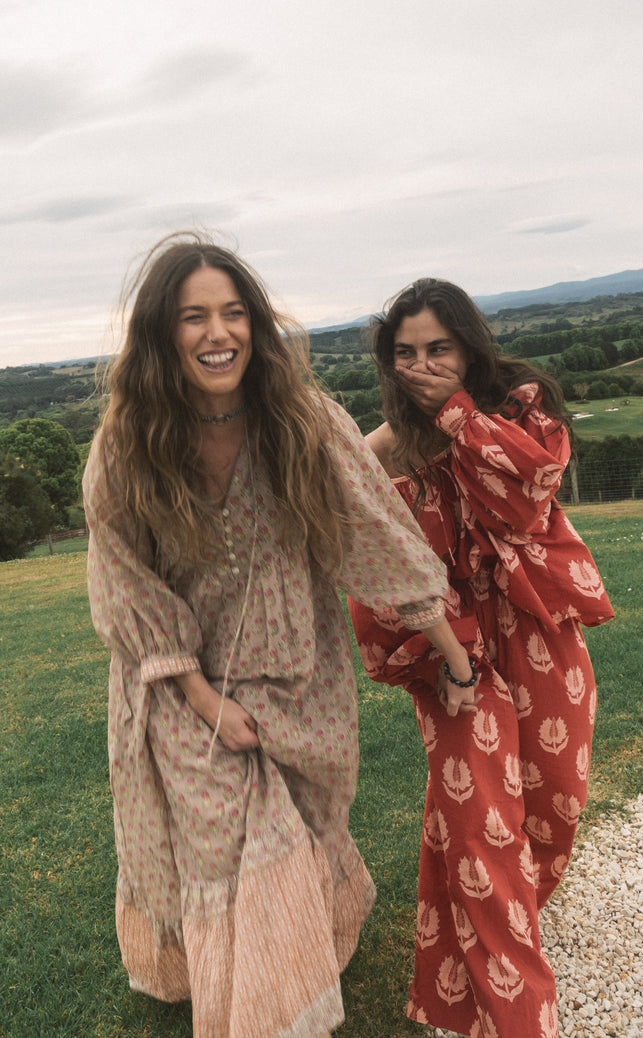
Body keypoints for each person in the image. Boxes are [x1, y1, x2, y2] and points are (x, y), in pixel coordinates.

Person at [83, 236, 483, 1038]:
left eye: (233, 312)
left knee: (304, 825)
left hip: (301, 673)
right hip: (180, 687)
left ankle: (296, 958)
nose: (217, 332)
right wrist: (203, 699)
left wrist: (455, 657)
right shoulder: (127, 448)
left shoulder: (302, 422)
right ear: (161, 333)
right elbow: (126, 586)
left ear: (255, 324)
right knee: (233, 842)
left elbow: (376, 533)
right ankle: (265, 1011)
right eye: (193, 316)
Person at [348, 277, 614, 1038]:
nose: (422, 366)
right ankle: (518, 1014)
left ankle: (501, 932)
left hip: (537, 628)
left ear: (469, 348)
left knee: (554, 802)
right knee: (479, 825)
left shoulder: (523, 411)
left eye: (438, 348)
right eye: (405, 354)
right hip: (451, 646)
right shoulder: (392, 443)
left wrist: (458, 415)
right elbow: (349, 512)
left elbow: (524, 502)